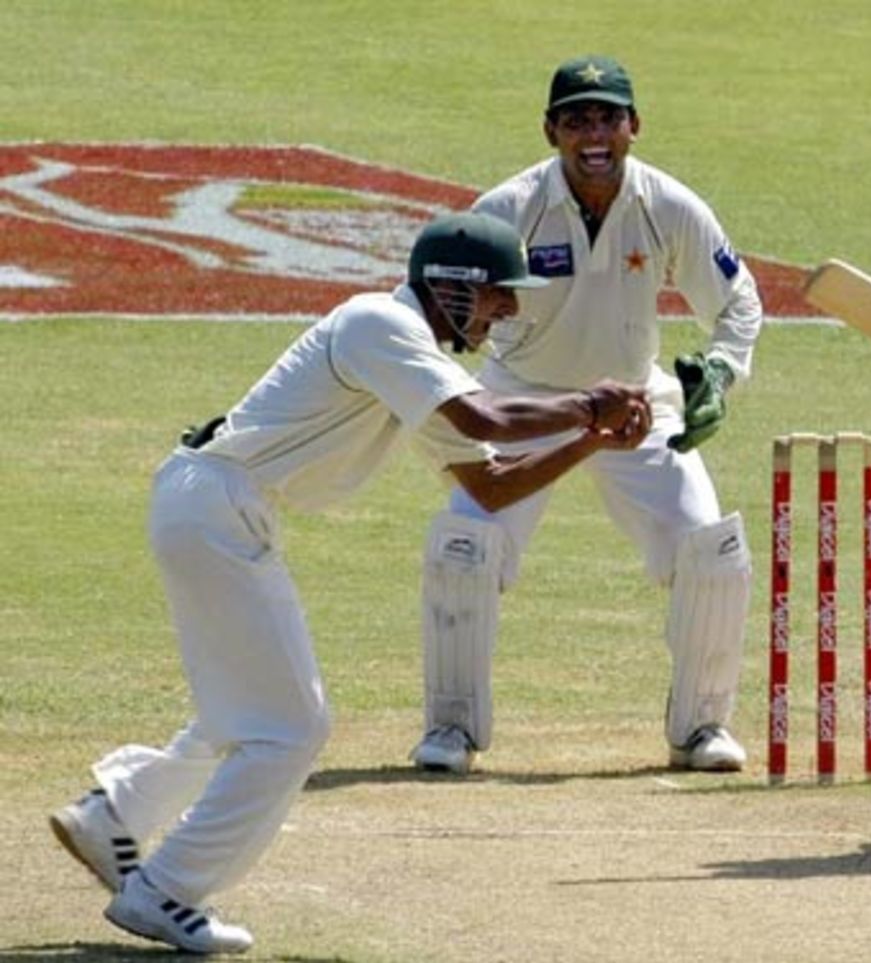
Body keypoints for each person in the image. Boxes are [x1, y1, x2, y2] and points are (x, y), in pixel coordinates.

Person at [49, 212, 652, 954]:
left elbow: (489, 484)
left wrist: (588, 439)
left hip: (216, 507)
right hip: (216, 502)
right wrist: (592, 404)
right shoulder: (379, 325)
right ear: (456, 287)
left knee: (246, 707)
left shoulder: (416, 366)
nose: (509, 310)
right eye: (500, 293)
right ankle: (167, 888)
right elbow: (485, 412)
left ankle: (117, 813)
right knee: (293, 726)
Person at [409, 55, 761, 776]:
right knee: (465, 545)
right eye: (576, 119)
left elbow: (737, 303)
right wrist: (455, 400)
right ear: (551, 130)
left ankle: (699, 728)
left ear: (634, 126)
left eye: (607, 117)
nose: (593, 134)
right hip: (522, 400)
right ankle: (450, 728)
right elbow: (432, 303)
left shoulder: (669, 206)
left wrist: (719, 374)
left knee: (710, 550)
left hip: (634, 406)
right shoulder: (509, 208)